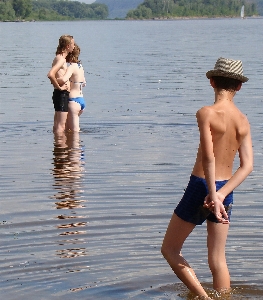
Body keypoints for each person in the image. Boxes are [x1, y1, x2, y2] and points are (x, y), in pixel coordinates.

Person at [161, 57, 253, 299]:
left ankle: (203, 298)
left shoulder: (206, 113)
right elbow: (248, 166)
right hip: (226, 189)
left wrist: (211, 193)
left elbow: (208, 158)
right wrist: (221, 194)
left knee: (170, 249)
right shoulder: (243, 121)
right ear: (239, 86)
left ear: (211, 82)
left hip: (202, 185)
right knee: (217, 258)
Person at [47, 35, 75, 134]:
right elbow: (50, 74)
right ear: (68, 46)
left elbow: (53, 76)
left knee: (57, 124)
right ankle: (61, 148)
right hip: (61, 94)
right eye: (73, 44)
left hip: (59, 94)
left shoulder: (58, 57)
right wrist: (59, 87)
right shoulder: (61, 59)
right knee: (61, 125)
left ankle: (57, 148)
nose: (74, 47)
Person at [57, 44, 86, 132]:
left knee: (75, 132)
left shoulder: (71, 67)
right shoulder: (80, 66)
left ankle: (75, 145)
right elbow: (84, 83)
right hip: (81, 100)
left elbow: (63, 79)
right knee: (69, 130)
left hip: (73, 101)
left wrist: (54, 78)